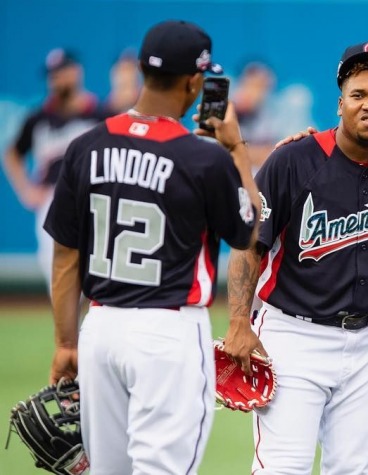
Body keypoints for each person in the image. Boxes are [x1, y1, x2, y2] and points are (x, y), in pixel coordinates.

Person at [44, 20, 260, 474]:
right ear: (195, 81)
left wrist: (66, 343)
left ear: (142, 70)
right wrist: (236, 150)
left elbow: (66, 256)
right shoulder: (204, 159)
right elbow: (247, 231)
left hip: (99, 331)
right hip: (168, 335)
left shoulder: (85, 147)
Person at [225, 41, 368, 474]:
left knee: (358, 468)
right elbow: (250, 245)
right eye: (359, 95)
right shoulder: (293, 159)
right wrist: (238, 323)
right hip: (294, 336)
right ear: (340, 103)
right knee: (282, 467)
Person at [3, 48, 106, 291]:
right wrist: (26, 190)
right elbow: (12, 153)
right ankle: (68, 329)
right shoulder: (38, 119)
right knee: (60, 282)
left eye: (62, 72)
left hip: (94, 200)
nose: (57, 79)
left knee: (97, 278)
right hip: (53, 200)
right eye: (53, 75)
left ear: (76, 72)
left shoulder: (100, 115)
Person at [231, 60, 316, 171]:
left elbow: (290, 156)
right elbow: (217, 153)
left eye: (260, 86)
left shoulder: (285, 111)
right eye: (250, 85)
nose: (254, 92)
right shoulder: (229, 111)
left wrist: (238, 151)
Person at [103, 49, 142, 114]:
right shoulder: (100, 113)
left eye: (128, 70)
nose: (125, 76)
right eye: (122, 70)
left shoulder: (148, 114)